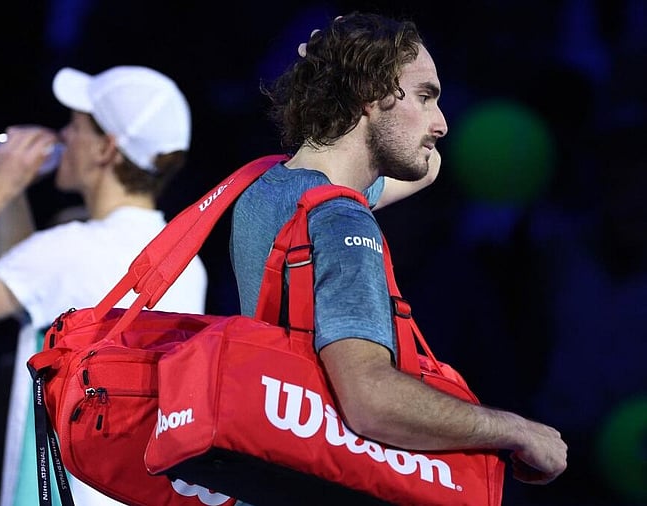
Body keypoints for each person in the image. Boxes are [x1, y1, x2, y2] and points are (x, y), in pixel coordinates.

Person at [230, 10, 567, 489]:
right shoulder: (340, 220)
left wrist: (332, 72)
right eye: (427, 97)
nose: (443, 124)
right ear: (370, 94)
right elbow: (371, 401)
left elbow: (423, 168)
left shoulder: (270, 188)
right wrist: (515, 429)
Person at [0, 65, 208, 506]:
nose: (63, 135)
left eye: (75, 126)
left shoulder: (66, 252)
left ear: (106, 149)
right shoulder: (186, 259)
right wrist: (14, 193)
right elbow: (34, 290)